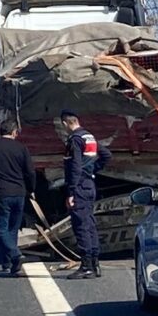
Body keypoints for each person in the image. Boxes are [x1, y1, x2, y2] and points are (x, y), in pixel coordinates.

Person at [0, 119, 36, 275]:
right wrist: (30, 189)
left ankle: (15, 255)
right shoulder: (21, 148)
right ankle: (9, 261)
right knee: (12, 228)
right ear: (14, 132)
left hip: (1, 192)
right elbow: (30, 172)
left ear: (0, 131)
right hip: (19, 193)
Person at [60, 110, 111, 279]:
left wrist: (71, 191)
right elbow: (106, 155)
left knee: (81, 226)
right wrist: (92, 170)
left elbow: (74, 166)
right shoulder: (89, 136)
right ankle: (95, 264)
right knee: (89, 224)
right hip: (89, 184)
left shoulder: (74, 140)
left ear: (65, 123)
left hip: (80, 187)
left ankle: (86, 266)